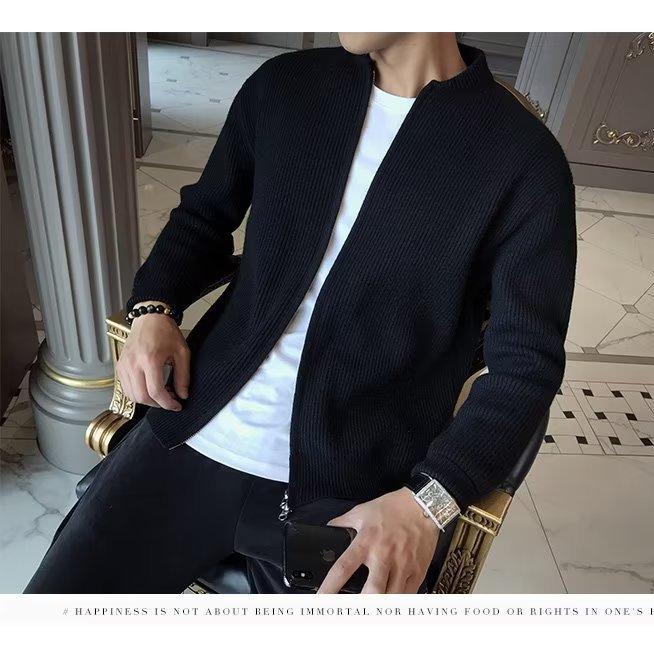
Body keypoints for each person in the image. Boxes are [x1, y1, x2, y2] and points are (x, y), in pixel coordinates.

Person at [24, 32, 576, 594]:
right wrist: (152, 309)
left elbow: (525, 367)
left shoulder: (523, 159)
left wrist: (427, 502)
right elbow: (202, 219)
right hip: (192, 432)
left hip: (351, 489)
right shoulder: (286, 87)